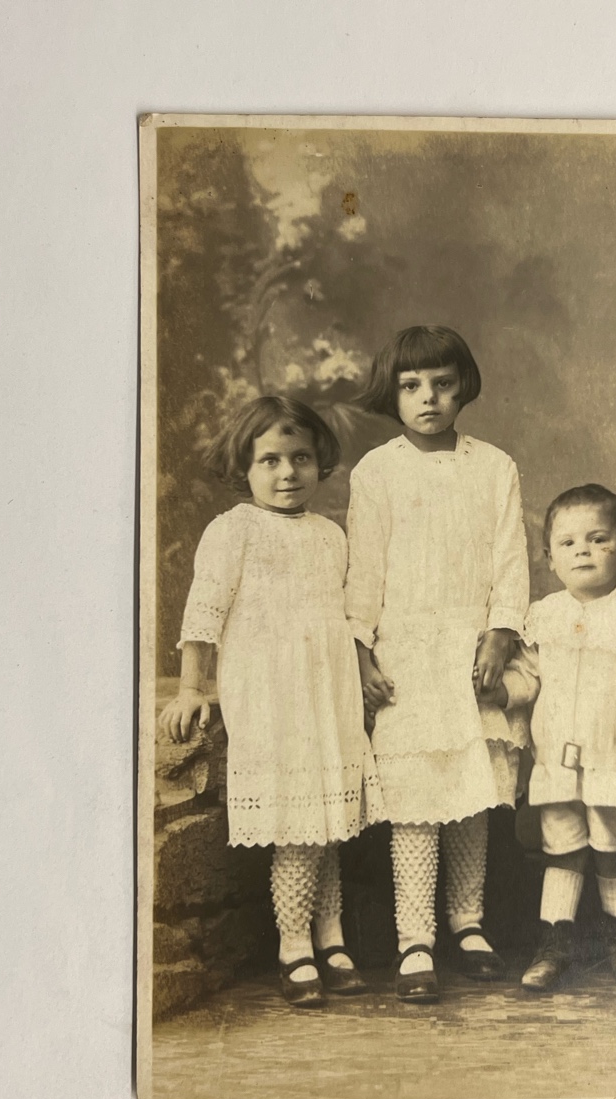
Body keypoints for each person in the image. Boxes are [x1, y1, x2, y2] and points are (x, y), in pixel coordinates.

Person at [159, 396, 384, 1009]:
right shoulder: (232, 530)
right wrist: (189, 689)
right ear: (244, 467)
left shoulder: (331, 534)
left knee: (328, 821)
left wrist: (361, 677)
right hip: (271, 696)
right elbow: (202, 616)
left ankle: (332, 937)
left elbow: (348, 614)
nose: (288, 473)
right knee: (297, 827)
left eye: (301, 458)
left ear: (320, 463)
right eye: (271, 461)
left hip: (326, 693)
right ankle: (294, 944)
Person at [345, 326, 529, 1003]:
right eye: (413, 385)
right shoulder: (377, 471)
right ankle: (415, 937)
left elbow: (511, 558)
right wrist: (362, 651)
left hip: (471, 648)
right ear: (393, 392)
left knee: (471, 795)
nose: (429, 398)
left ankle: (467, 923)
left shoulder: (494, 467)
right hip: (406, 652)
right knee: (417, 801)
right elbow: (363, 569)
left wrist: (500, 635)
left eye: (443, 384)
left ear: (464, 387)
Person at [489, 484, 616, 990]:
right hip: (557, 762)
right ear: (550, 557)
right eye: (569, 543)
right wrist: (500, 693)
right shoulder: (542, 616)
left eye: (599, 540)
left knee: (614, 848)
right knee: (563, 849)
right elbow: (528, 676)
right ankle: (555, 944)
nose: (584, 551)